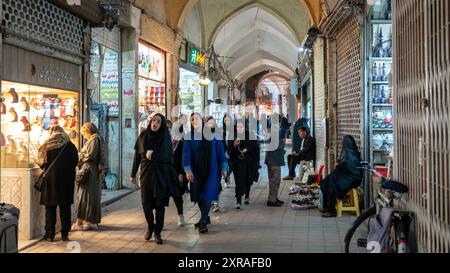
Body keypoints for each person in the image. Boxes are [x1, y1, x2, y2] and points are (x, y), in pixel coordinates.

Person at [131, 114, 179, 244]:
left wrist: (155, 154)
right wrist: (132, 174)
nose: (155, 123)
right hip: (146, 176)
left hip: (161, 176)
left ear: (162, 124)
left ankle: (157, 232)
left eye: (158, 121)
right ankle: (150, 226)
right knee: (146, 204)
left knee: (159, 205)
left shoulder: (165, 138)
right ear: (150, 122)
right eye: (153, 121)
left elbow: (169, 158)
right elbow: (137, 157)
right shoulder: (143, 137)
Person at [183, 113, 227, 234]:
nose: (194, 121)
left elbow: (220, 152)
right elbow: (186, 154)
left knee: (207, 195)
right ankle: (205, 216)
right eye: (192, 119)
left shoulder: (213, 134)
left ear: (202, 120)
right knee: (198, 195)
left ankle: (203, 221)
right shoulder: (189, 136)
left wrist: (224, 167)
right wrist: (188, 170)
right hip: (196, 171)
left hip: (211, 170)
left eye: (196, 118)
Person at [37, 125, 78, 242]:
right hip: (66, 181)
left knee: (50, 208)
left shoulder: (45, 145)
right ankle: (65, 234)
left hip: (50, 181)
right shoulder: (70, 145)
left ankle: (50, 234)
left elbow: (40, 163)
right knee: (65, 208)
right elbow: (76, 161)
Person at [72, 123, 106, 231]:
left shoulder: (94, 139)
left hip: (89, 172)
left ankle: (82, 222)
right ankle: (91, 221)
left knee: (85, 195)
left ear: (88, 131)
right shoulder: (98, 138)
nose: (84, 136)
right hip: (93, 172)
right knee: (91, 196)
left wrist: (79, 157)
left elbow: (90, 155)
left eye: (84, 133)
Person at [320, 135, 363, 218]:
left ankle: (331, 210)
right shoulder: (348, 152)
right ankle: (326, 207)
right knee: (327, 182)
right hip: (347, 176)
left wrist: (339, 166)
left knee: (332, 185)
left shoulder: (352, 155)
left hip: (352, 178)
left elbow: (349, 168)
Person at [229, 120, 260, 209]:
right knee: (238, 181)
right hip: (237, 163)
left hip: (248, 162)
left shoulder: (250, 135)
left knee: (247, 180)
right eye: (237, 127)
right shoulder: (233, 136)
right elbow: (229, 151)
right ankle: (238, 201)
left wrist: (247, 149)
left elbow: (255, 148)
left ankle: (247, 195)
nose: (239, 128)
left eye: (241, 127)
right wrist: (234, 145)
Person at [264, 114, 287, 207]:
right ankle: (272, 200)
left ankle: (273, 197)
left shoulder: (271, 130)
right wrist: (283, 148)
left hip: (271, 159)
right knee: (275, 180)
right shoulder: (276, 131)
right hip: (274, 159)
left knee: (273, 180)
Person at [172, 116, 188, 226]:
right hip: (166, 172)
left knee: (177, 195)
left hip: (177, 173)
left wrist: (181, 173)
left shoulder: (182, 143)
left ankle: (180, 215)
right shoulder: (167, 143)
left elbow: (182, 159)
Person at [222, 114, 234, 189]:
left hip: (231, 152)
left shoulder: (233, 129)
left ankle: (227, 176)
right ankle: (226, 179)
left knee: (232, 167)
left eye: (228, 120)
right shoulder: (222, 130)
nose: (227, 122)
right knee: (225, 167)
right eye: (225, 120)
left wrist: (230, 152)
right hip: (224, 152)